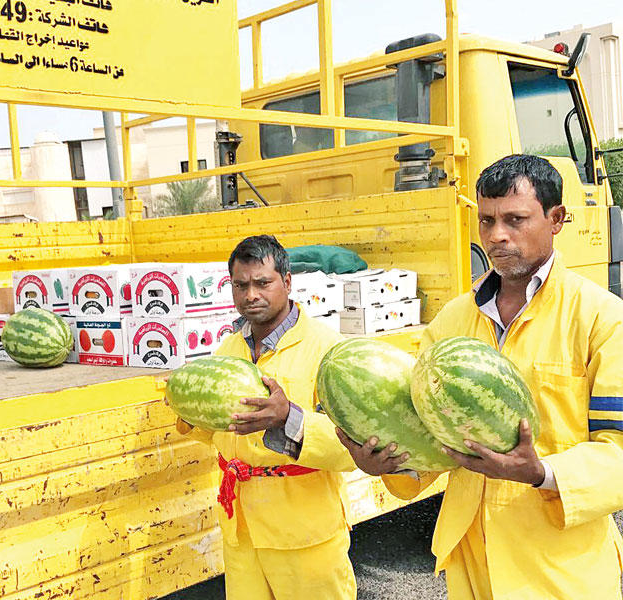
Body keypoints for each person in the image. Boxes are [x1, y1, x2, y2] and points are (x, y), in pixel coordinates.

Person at [337, 154, 623, 599]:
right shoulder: (453, 319)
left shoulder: (602, 319)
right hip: (473, 561)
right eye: (487, 220)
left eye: (515, 219)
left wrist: (541, 472)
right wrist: (389, 464)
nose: (497, 235)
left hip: (559, 572)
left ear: (556, 219)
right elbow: (429, 439)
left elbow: (618, 452)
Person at [175, 234, 356, 600]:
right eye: (240, 285)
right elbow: (222, 431)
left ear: (287, 282)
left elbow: (352, 448)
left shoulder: (329, 350)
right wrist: (188, 409)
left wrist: (289, 417)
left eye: (262, 283)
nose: (251, 295)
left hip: (304, 535)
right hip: (241, 530)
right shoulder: (229, 347)